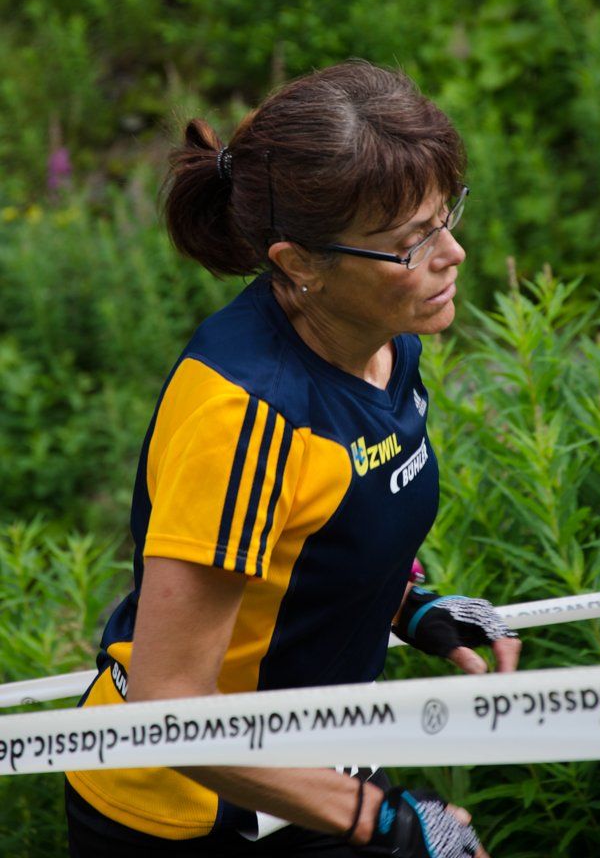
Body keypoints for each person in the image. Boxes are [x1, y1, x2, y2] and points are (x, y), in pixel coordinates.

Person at [65, 60, 520, 857]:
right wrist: (378, 820)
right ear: (299, 263)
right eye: (410, 243)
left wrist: (404, 604)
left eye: (445, 215)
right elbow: (167, 708)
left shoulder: (384, 342)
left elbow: (314, 534)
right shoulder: (246, 417)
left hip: (312, 748)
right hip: (193, 802)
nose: (453, 252)